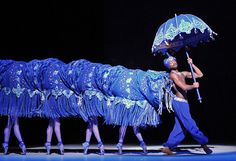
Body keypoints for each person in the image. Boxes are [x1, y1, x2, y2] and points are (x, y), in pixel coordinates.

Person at [161, 56, 212, 155]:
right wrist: (193, 86)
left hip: (184, 102)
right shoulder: (172, 75)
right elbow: (183, 87)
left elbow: (200, 75)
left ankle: (168, 146)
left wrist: (191, 64)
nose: (173, 63)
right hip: (178, 102)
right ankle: (204, 144)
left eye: (173, 61)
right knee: (190, 124)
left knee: (180, 127)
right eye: (170, 62)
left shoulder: (183, 73)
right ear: (168, 66)